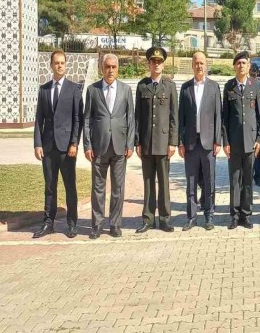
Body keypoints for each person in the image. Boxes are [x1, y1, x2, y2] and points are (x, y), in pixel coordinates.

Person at [32, 50, 84, 239]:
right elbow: (39, 119)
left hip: (67, 148)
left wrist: (74, 143)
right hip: (48, 147)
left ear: (66, 64)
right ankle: (48, 223)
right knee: (49, 186)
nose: (59, 66)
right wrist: (37, 143)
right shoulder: (44, 89)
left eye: (62, 63)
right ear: (51, 65)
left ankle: (72, 223)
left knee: (70, 186)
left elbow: (78, 119)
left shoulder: (74, 89)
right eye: (56, 63)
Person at [83, 54, 135, 239]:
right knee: (98, 188)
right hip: (99, 147)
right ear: (102, 68)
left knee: (118, 188)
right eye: (107, 66)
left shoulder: (126, 90)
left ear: (118, 69)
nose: (110, 70)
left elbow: (131, 118)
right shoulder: (93, 90)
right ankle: (97, 225)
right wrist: (87, 145)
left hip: (120, 147)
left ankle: (115, 224)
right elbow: (87, 120)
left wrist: (130, 144)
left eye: (114, 67)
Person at [134, 47, 178, 233]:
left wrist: (173, 142)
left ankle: (165, 219)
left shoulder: (169, 86)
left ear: (163, 64)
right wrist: (137, 141)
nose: (156, 64)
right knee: (148, 181)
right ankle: (148, 219)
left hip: (163, 142)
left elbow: (174, 116)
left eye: (159, 61)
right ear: (149, 64)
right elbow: (137, 116)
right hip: (146, 142)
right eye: (153, 61)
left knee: (164, 182)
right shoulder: (142, 86)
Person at [179, 51, 222, 231]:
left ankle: (209, 216)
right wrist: (180, 142)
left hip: (208, 142)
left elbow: (218, 115)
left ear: (206, 65)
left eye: (202, 63)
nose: (199, 66)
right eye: (196, 63)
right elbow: (181, 117)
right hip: (190, 142)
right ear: (192, 65)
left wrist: (218, 140)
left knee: (209, 181)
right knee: (191, 182)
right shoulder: (185, 88)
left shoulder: (214, 87)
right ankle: (191, 217)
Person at [222, 51, 260, 229]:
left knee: (247, 181)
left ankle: (246, 214)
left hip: (251, 142)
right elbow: (224, 118)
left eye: (244, 63)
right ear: (234, 66)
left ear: (248, 66)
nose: (241, 66)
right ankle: (234, 214)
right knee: (234, 180)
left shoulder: (255, 86)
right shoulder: (229, 86)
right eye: (238, 63)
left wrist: (259, 139)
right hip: (234, 142)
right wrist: (225, 142)